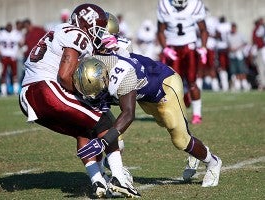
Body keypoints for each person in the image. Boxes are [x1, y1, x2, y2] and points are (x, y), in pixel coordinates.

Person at [18, 4, 140, 198]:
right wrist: (87, 94)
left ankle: (98, 182)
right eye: (98, 29)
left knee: (85, 129)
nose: (99, 34)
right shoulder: (77, 33)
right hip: (46, 90)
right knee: (104, 120)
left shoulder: (58, 30)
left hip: (27, 97)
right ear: (86, 24)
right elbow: (66, 76)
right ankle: (119, 178)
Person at [74, 53, 222, 188]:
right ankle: (114, 172)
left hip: (164, 86)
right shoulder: (90, 66)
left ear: (105, 77)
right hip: (144, 97)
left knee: (181, 140)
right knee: (111, 133)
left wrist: (104, 142)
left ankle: (213, 162)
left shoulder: (122, 75)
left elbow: (128, 114)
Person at [156, 0, 208, 125]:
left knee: (192, 82)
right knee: (172, 84)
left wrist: (204, 47)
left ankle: (197, 114)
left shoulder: (194, 5)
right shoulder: (165, 5)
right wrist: (165, 48)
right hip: (173, 48)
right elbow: (160, 31)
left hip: (189, 47)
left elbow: (203, 29)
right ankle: (177, 112)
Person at [0, 22, 23, 96]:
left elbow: (21, 44)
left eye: (10, 26)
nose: (9, 28)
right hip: (4, 56)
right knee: (3, 74)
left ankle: (15, 90)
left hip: (13, 57)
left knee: (14, 74)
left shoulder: (16, 33)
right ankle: (3, 91)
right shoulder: (1, 33)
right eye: (8, 26)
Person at [227, 23, 251, 91]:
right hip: (232, 55)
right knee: (234, 70)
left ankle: (244, 83)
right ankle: (237, 84)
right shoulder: (229, 36)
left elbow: (245, 43)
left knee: (241, 69)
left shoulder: (240, 35)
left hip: (239, 54)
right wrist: (230, 49)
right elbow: (227, 45)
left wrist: (238, 48)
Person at [215, 16, 231, 92]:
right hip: (228, 47)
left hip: (221, 48)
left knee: (222, 67)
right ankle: (226, 85)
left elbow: (218, 35)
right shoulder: (228, 25)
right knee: (226, 67)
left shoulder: (218, 26)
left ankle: (225, 85)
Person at [253, 17, 265, 90]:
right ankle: (263, 83)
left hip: (262, 49)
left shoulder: (259, 28)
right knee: (261, 68)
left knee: (262, 67)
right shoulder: (259, 29)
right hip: (261, 49)